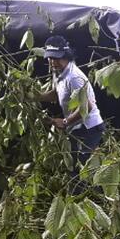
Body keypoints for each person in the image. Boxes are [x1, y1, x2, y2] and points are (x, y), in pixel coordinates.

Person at [38, 35, 105, 168]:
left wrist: (65, 122)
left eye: (56, 58)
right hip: (77, 126)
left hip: (89, 128)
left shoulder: (74, 77)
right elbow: (56, 94)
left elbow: (87, 106)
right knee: (73, 164)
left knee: (81, 168)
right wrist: (36, 96)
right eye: (50, 58)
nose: (53, 62)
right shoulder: (59, 72)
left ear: (66, 56)